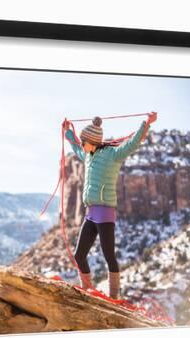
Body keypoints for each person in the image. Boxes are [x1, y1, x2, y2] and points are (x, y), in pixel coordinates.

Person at [63, 112, 157, 299]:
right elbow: (76, 148)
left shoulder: (113, 155)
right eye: (82, 142)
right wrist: (68, 133)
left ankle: (114, 298)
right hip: (90, 214)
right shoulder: (88, 155)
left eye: (85, 142)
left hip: (105, 213)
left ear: (93, 141)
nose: (82, 145)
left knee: (109, 257)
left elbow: (132, 144)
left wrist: (146, 123)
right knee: (79, 254)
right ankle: (87, 290)